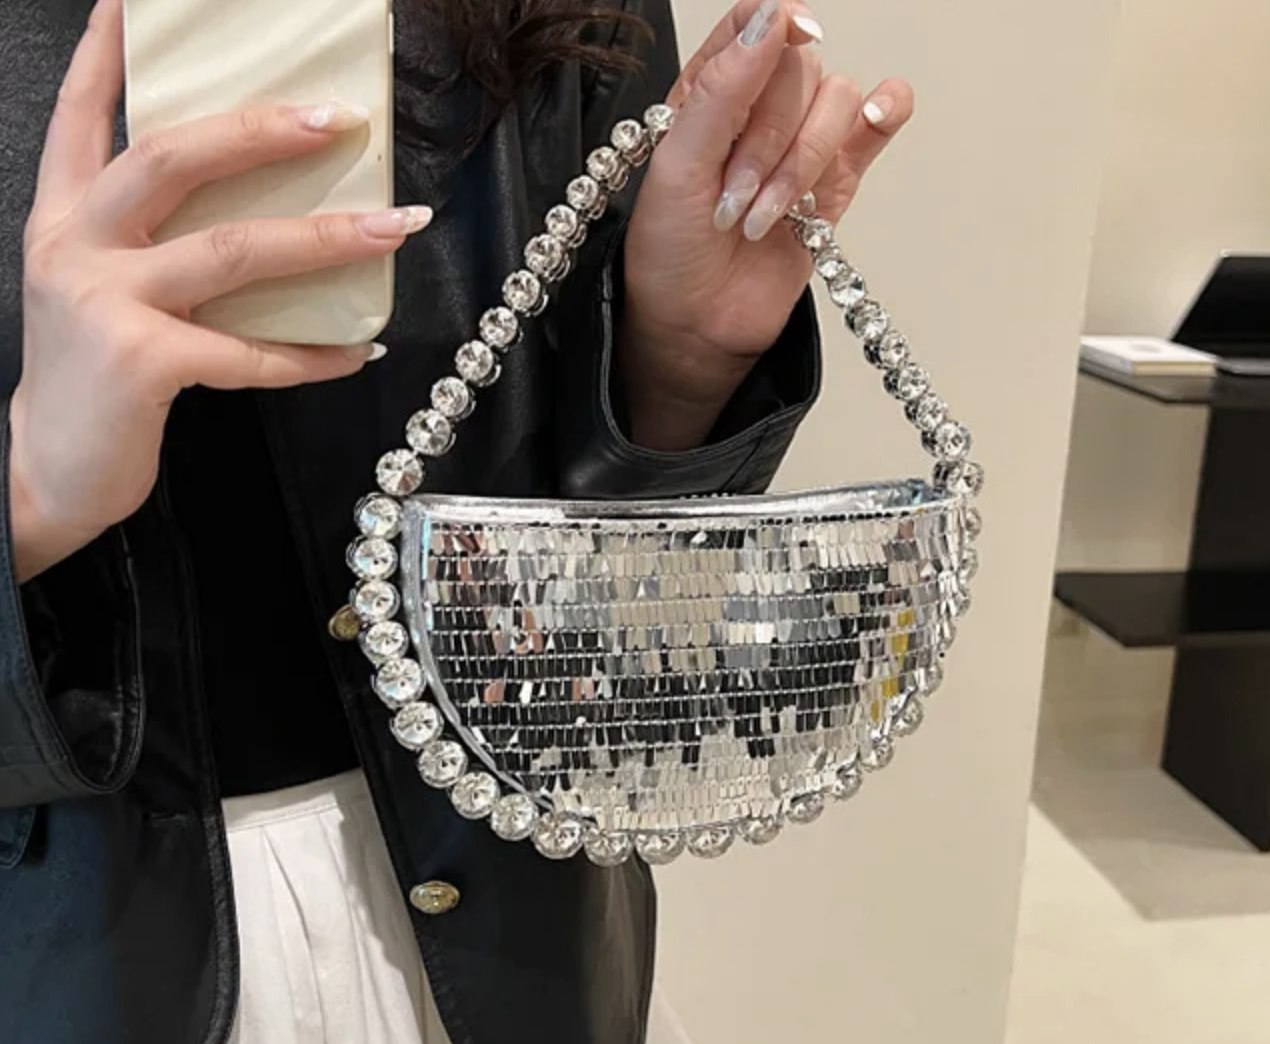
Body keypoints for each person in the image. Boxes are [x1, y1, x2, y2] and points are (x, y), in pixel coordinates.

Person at [0, 0, 912, 1041]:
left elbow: (606, 635)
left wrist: (683, 358)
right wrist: (31, 493)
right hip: (62, 955)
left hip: (523, 934)